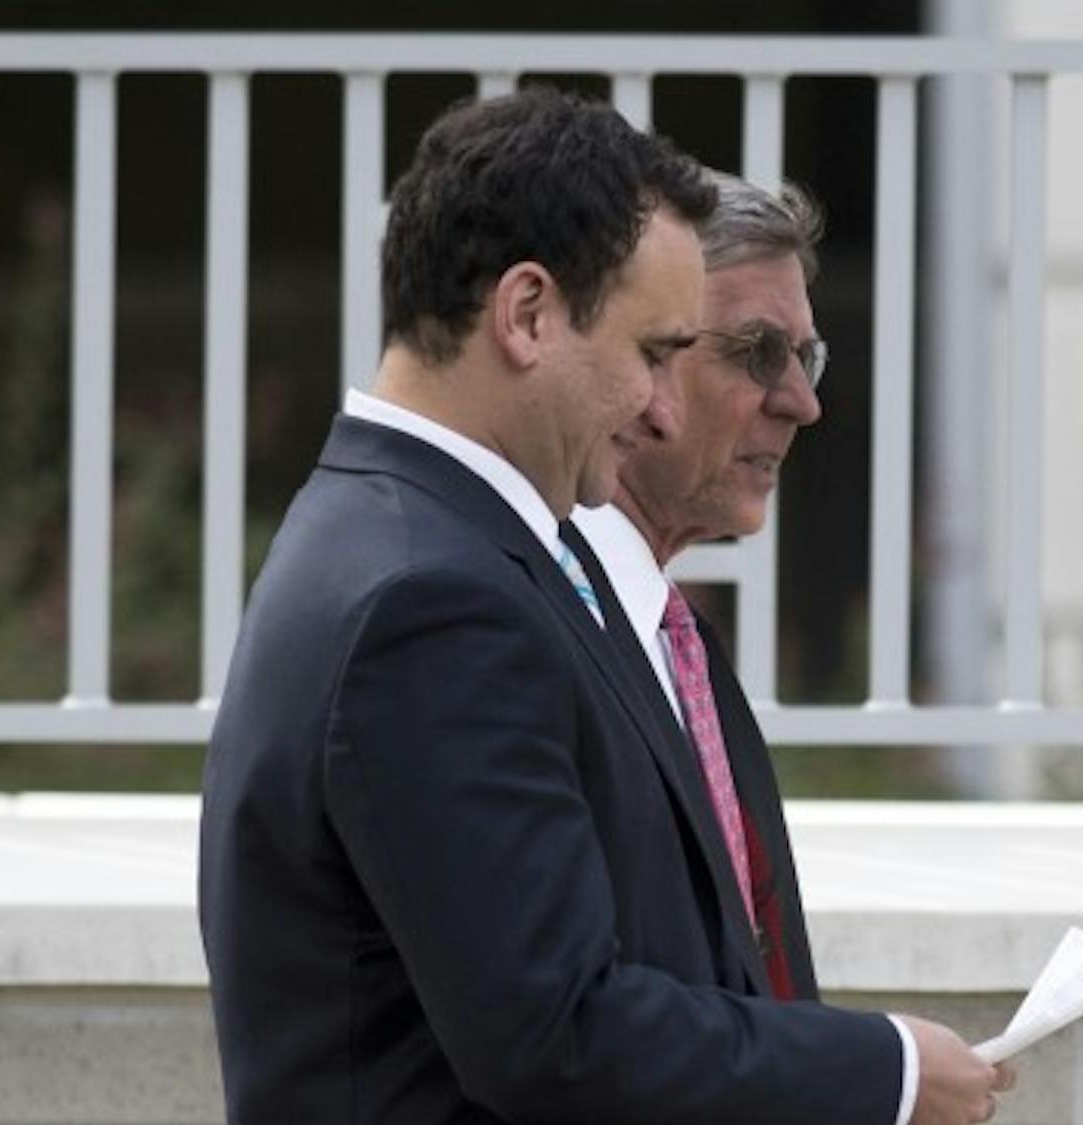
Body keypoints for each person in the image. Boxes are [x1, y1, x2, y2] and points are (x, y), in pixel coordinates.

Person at [198, 90, 1005, 1124]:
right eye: (655, 353)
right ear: (528, 314)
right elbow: (558, 1035)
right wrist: (882, 1072)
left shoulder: (414, 544)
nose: (662, 408)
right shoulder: (432, 598)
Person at [569, 171, 1017, 1124]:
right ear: (636, 360)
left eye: (805, 359)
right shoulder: (532, 623)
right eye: (755, 352)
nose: (798, 404)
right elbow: (566, 1025)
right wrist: (882, 1071)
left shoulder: (670, 635)